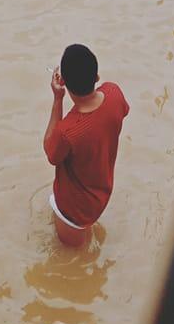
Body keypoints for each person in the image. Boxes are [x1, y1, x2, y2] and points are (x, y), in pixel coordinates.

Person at [43, 44, 129, 246]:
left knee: (74, 257)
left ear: (63, 82)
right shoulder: (114, 93)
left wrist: (57, 99)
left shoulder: (68, 130)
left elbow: (51, 151)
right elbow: (121, 111)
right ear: (97, 76)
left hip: (74, 209)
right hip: (101, 192)